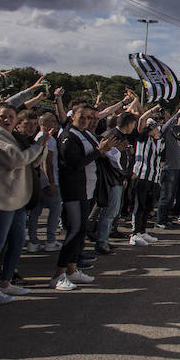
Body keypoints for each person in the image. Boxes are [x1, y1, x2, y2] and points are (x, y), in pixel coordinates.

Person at [0, 103, 47, 304]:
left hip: (17, 200)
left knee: (17, 242)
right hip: (1, 199)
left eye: (11, 116)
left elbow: (33, 162)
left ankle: (5, 281)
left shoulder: (15, 138)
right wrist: (38, 146)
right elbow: (17, 160)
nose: (7, 119)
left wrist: (42, 145)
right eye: (3, 116)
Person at [52, 104, 116, 290]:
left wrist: (104, 149)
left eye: (90, 117)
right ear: (72, 116)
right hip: (73, 189)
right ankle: (59, 274)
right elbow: (74, 163)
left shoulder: (86, 133)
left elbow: (97, 151)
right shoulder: (68, 135)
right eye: (83, 117)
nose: (87, 121)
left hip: (87, 188)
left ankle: (72, 269)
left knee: (80, 231)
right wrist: (99, 151)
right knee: (75, 230)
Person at [94, 113, 137, 254]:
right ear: (128, 123)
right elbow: (113, 159)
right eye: (133, 124)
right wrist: (126, 174)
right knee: (109, 212)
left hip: (116, 178)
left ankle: (104, 240)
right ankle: (101, 242)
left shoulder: (119, 136)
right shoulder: (113, 136)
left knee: (111, 212)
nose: (134, 127)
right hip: (112, 179)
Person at [29, 112, 63, 251]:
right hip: (47, 182)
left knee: (35, 214)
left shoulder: (41, 137)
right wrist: (51, 183)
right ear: (44, 124)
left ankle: (34, 241)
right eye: (52, 122)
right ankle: (50, 240)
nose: (55, 125)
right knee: (54, 212)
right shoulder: (48, 139)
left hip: (39, 182)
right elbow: (47, 163)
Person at [130, 106, 163, 246]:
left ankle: (142, 231)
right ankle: (134, 233)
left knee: (148, 206)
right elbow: (142, 119)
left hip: (154, 177)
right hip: (141, 175)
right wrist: (153, 109)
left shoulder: (159, 142)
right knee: (139, 205)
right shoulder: (142, 139)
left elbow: (160, 161)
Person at [155, 107, 180, 229]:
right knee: (165, 196)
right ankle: (160, 220)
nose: (170, 118)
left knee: (170, 196)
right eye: (167, 116)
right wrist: (177, 114)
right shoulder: (163, 131)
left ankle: (165, 218)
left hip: (175, 168)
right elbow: (167, 126)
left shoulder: (173, 131)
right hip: (168, 168)